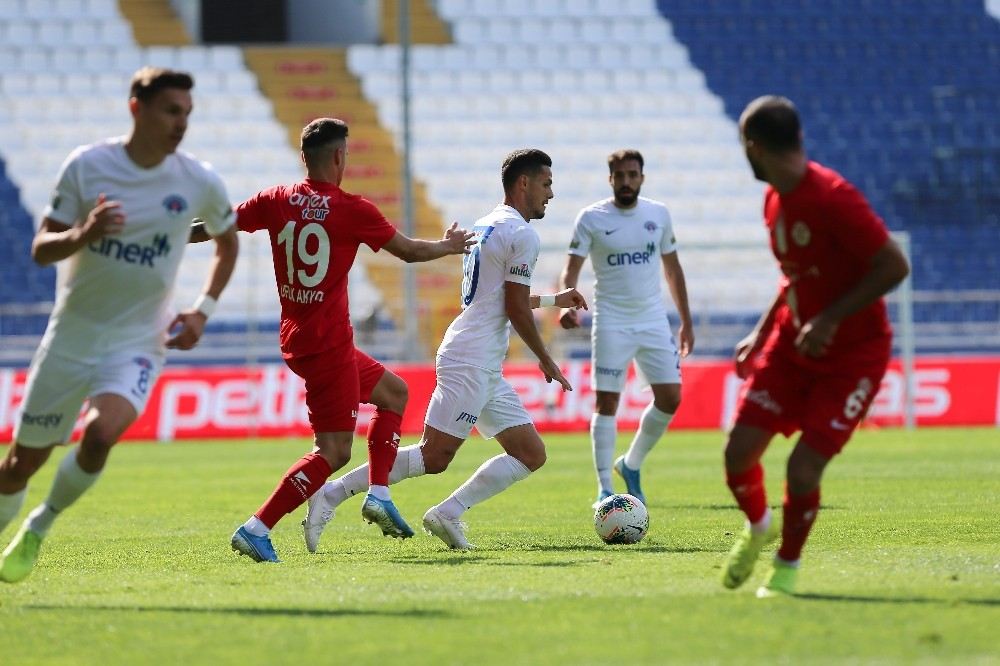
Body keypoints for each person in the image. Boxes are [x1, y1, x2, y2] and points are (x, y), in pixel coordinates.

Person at [0, 67, 240, 583]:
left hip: (138, 340)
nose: (181, 123)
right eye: (171, 111)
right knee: (20, 465)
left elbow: (228, 241)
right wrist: (85, 232)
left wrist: (202, 310)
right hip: (72, 336)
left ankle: (41, 524)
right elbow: (41, 248)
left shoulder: (197, 179)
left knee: (101, 435)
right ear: (137, 106)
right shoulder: (89, 167)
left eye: (187, 114)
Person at [202, 118, 475, 563]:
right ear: (338, 157)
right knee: (333, 451)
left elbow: (217, 225)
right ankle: (257, 527)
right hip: (328, 346)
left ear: (303, 158)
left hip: (301, 339)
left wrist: (168, 232)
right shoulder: (352, 208)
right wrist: (448, 246)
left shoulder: (274, 199)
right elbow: (408, 251)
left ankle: (380, 493)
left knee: (393, 392)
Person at [301, 148, 588, 552]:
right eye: (547, 184)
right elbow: (512, 305)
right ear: (524, 183)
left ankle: (448, 512)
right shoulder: (522, 234)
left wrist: (554, 300)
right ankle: (331, 494)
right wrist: (545, 358)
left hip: (481, 360)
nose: (551, 194)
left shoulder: (487, 224)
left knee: (530, 452)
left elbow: (500, 296)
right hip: (471, 358)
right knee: (434, 457)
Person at [721, 96, 910, 598]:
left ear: (753, 148)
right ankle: (760, 527)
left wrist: (829, 318)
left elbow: (894, 266)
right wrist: (761, 335)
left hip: (853, 356)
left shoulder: (833, 197)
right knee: (738, 453)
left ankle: (786, 567)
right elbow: (795, 278)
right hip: (791, 345)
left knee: (802, 468)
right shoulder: (775, 200)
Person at [557, 149, 694, 509]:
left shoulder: (658, 214)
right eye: (620, 176)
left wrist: (687, 322)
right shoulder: (591, 217)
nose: (627, 182)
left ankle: (630, 466)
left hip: (652, 320)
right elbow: (570, 268)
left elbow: (673, 270)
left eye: (633, 175)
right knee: (607, 403)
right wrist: (567, 300)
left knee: (670, 398)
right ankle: (604, 487)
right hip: (612, 322)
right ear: (611, 179)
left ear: (642, 178)